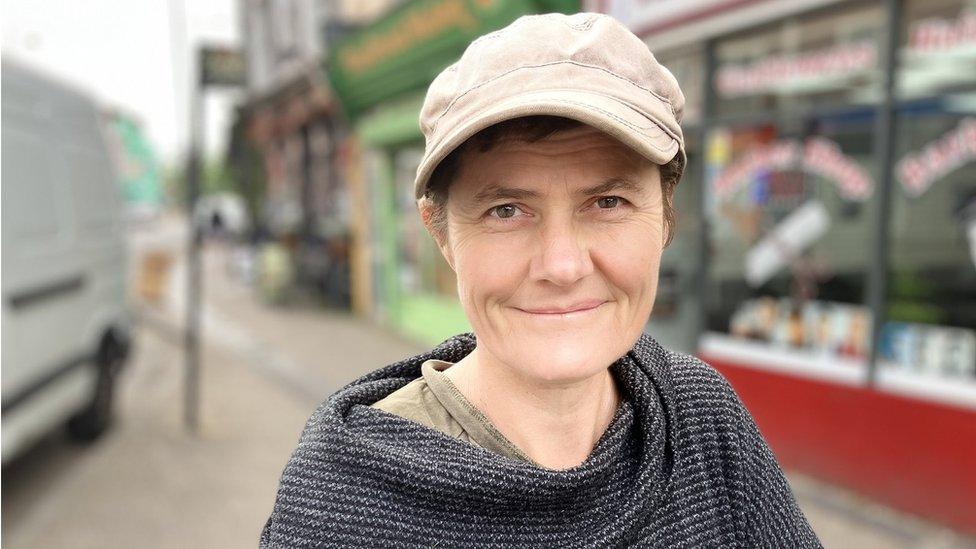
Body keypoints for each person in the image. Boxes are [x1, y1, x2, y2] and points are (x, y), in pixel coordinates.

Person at [260, 12, 820, 548]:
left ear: (667, 218)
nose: (562, 266)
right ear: (441, 234)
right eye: (506, 210)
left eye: (608, 201)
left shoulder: (702, 422)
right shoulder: (341, 502)